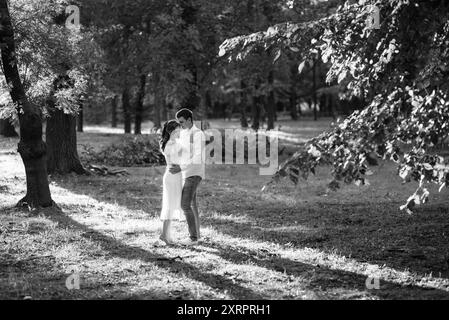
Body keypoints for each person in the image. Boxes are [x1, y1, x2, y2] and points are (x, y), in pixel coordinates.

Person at [169, 108, 205, 246]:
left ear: (190, 119)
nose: (180, 124)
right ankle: (197, 235)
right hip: (186, 172)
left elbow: (197, 157)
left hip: (194, 172)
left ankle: (193, 238)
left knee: (184, 204)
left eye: (182, 122)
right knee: (192, 205)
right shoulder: (183, 134)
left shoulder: (198, 134)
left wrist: (180, 167)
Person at [158, 120, 185, 245]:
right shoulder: (170, 144)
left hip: (175, 175)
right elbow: (176, 162)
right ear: (170, 131)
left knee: (172, 205)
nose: (179, 132)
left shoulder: (175, 143)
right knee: (169, 206)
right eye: (176, 131)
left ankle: (166, 235)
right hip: (172, 176)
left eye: (180, 130)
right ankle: (164, 235)